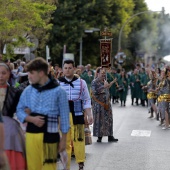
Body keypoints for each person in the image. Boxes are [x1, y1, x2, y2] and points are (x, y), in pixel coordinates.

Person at [16, 57, 70, 170]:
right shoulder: (28, 90)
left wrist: (64, 140)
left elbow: (64, 117)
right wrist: (31, 119)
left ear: (41, 73)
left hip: (50, 135)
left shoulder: (59, 91)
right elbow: (19, 110)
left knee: (49, 167)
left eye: (31, 73)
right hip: (32, 135)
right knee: (32, 167)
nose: (29, 76)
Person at [58, 59, 93, 170]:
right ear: (62, 69)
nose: (67, 70)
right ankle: (65, 166)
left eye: (70, 68)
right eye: (65, 68)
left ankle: (80, 163)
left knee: (79, 139)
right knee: (65, 141)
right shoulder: (57, 83)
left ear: (74, 69)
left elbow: (86, 99)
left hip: (77, 114)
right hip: (63, 115)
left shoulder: (81, 83)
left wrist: (89, 114)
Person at [0, 63, 26, 170]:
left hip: (10, 129)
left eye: (3, 73)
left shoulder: (15, 92)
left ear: (9, 74)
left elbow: (20, 110)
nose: (0, 76)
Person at [91, 67, 118, 143]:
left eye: (104, 74)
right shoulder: (94, 82)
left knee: (109, 120)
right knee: (100, 120)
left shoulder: (105, 81)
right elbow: (94, 92)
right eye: (102, 73)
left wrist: (112, 82)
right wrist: (104, 87)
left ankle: (110, 136)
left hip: (107, 104)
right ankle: (99, 137)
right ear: (98, 74)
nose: (103, 75)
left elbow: (107, 87)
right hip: (99, 105)